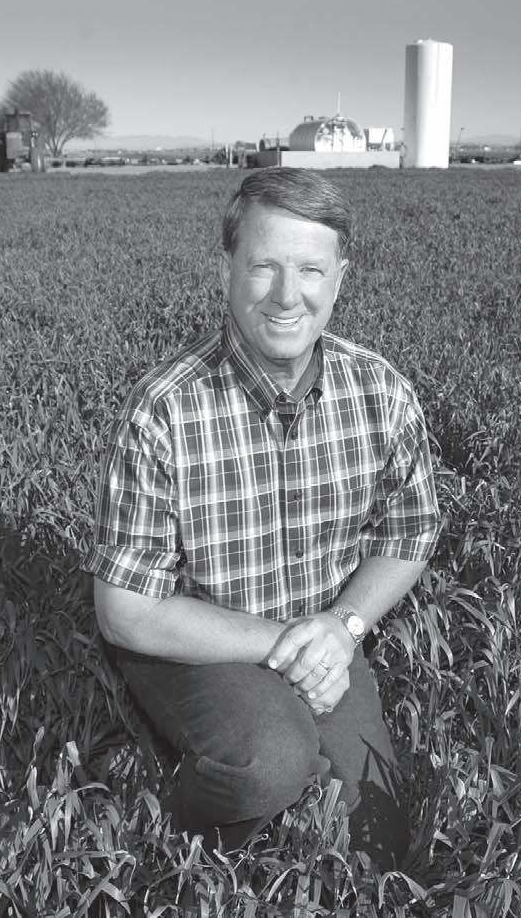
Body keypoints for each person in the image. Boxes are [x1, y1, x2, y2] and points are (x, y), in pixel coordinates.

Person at [85, 167, 441, 869]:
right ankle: (164, 839)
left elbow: (411, 530)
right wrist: (292, 644)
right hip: (196, 640)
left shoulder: (381, 391)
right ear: (226, 270)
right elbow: (125, 613)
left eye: (310, 269)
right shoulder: (164, 409)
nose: (287, 295)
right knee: (272, 760)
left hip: (325, 632)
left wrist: (343, 628)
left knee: (379, 846)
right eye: (264, 266)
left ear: (339, 279)